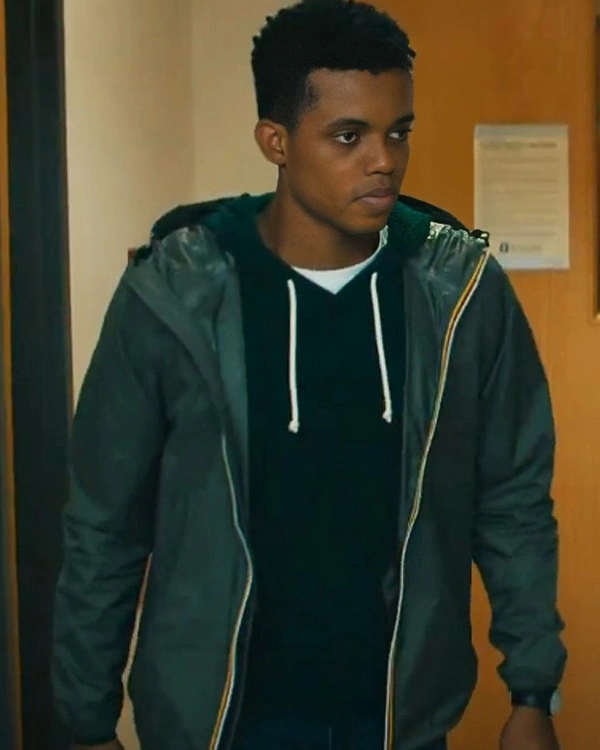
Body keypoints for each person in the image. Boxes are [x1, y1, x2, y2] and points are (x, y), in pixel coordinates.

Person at [52, 2, 567, 749]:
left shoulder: (459, 293)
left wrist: (532, 692)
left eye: (398, 132)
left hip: (395, 719)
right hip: (219, 722)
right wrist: (86, 720)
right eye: (348, 136)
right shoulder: (175, 296)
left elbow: (513, 499)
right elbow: (105, 525)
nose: (383, 160)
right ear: (277, 141)